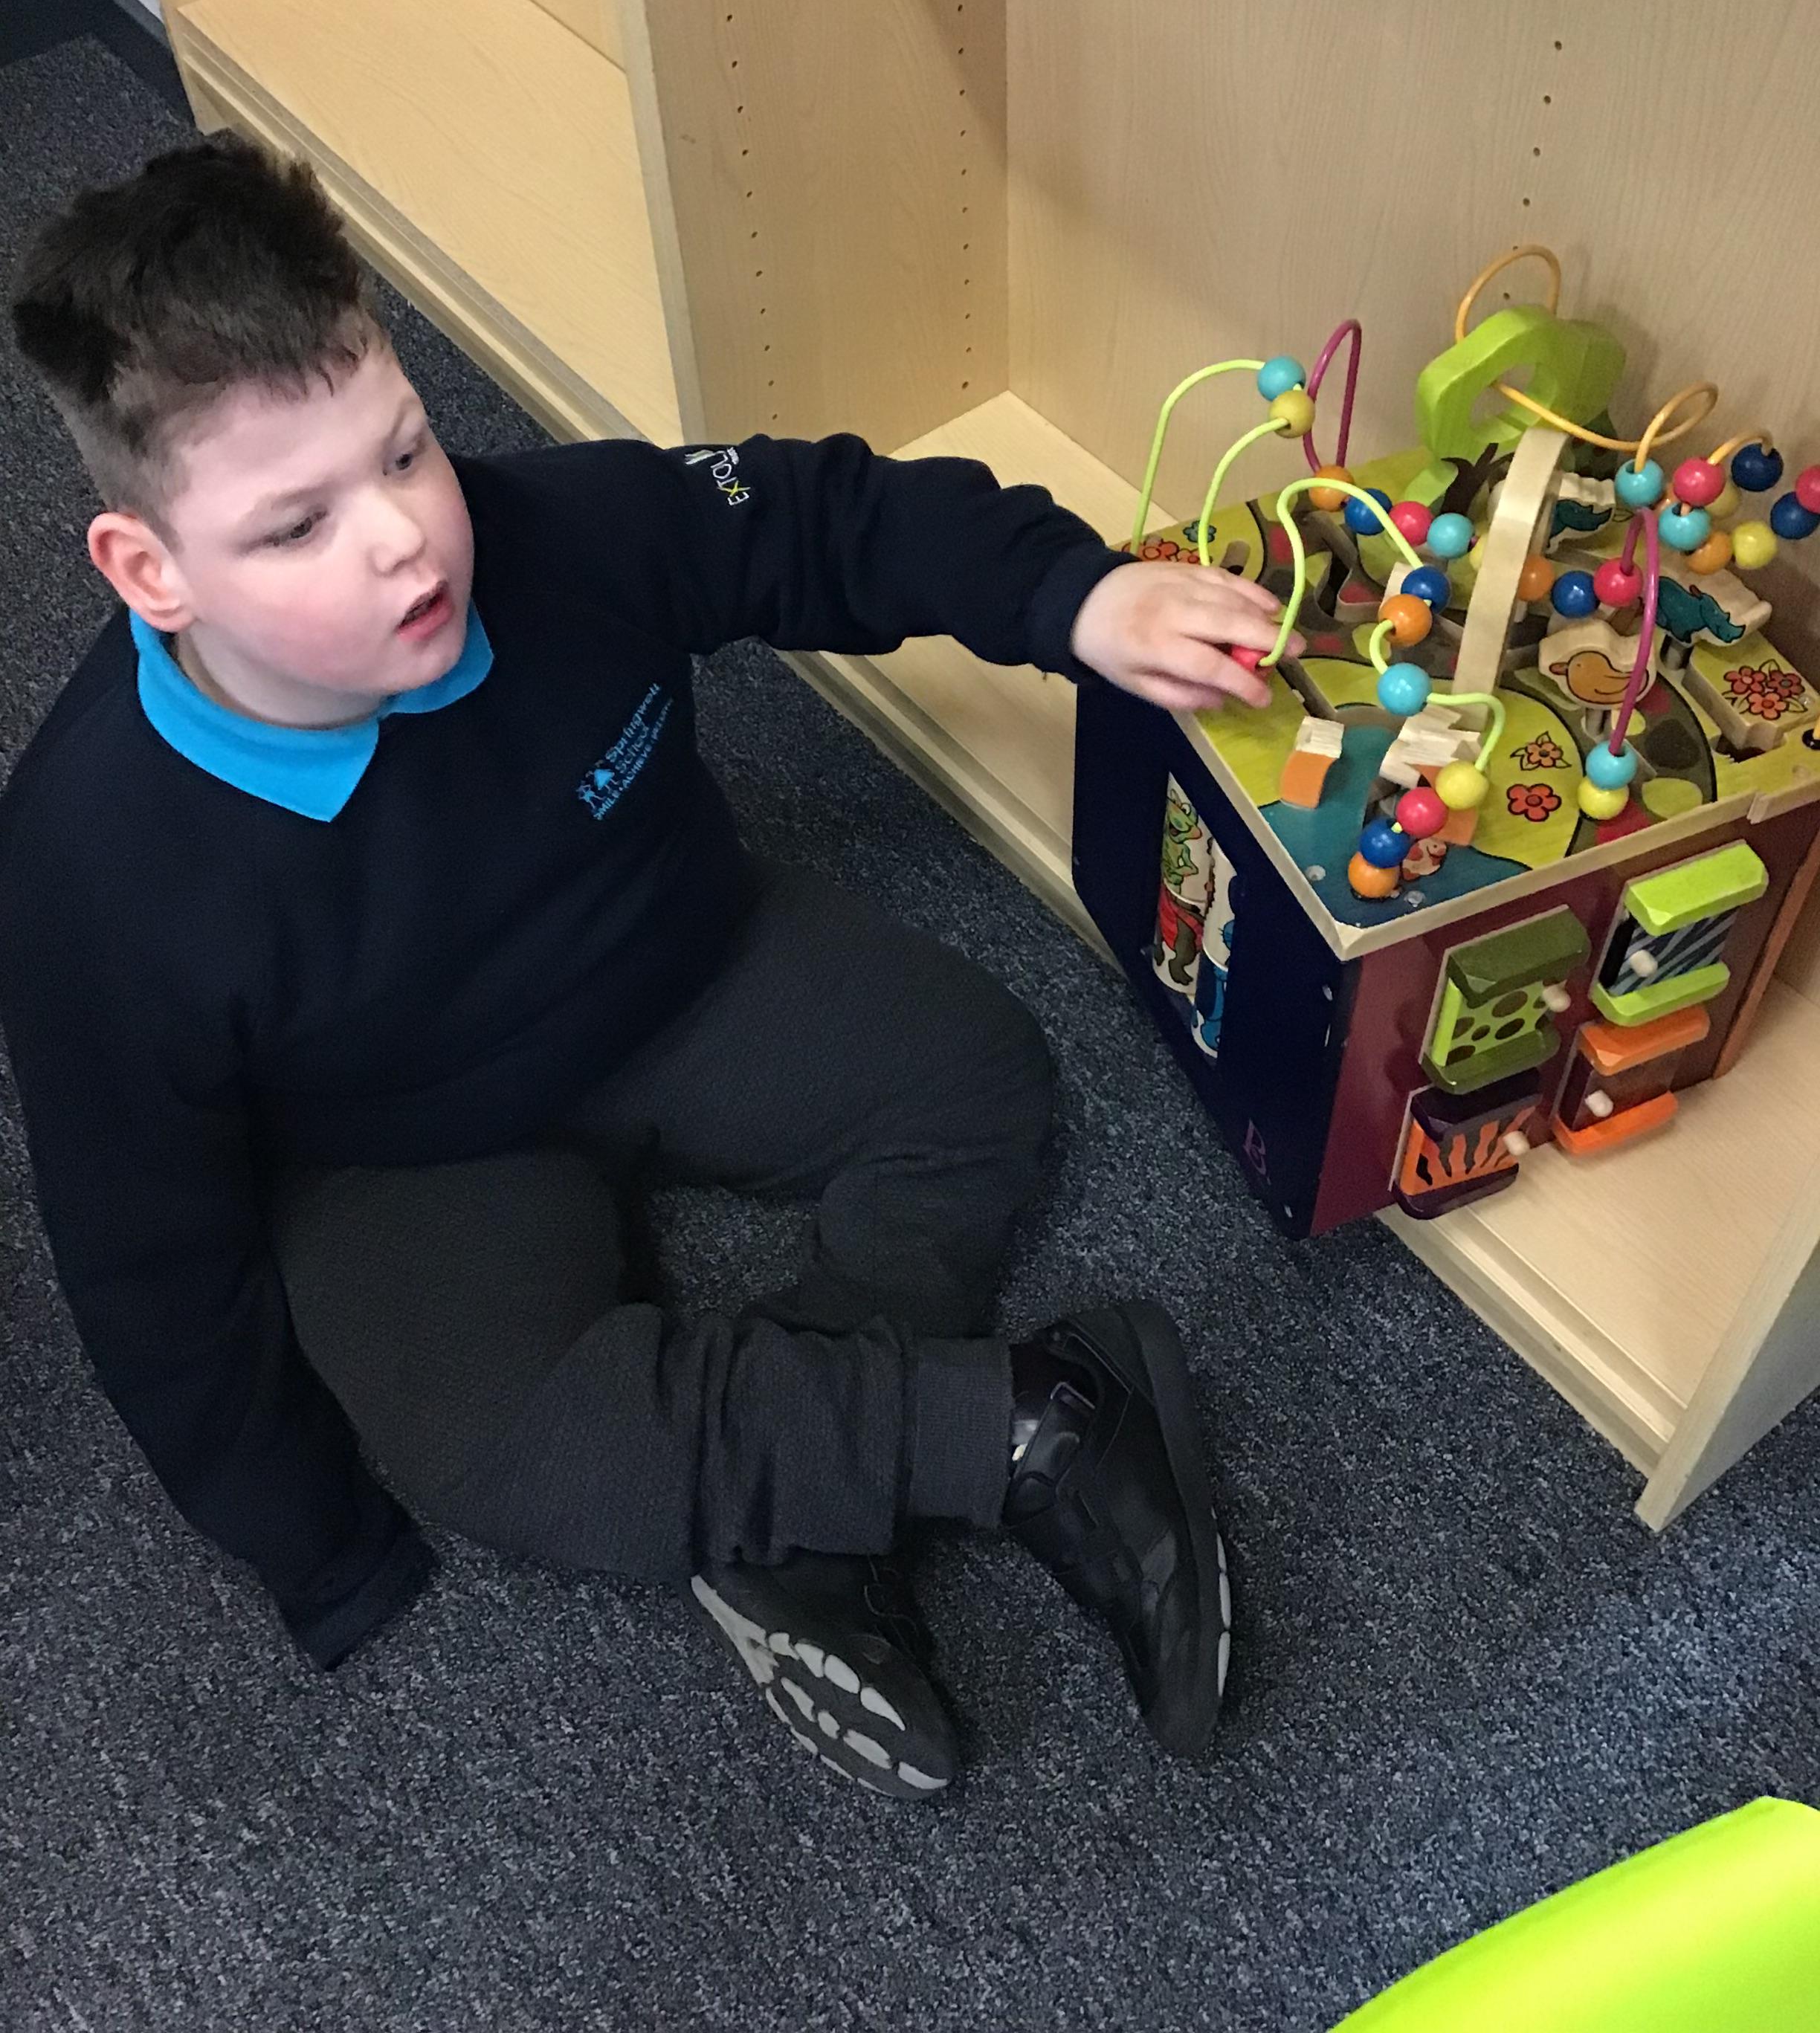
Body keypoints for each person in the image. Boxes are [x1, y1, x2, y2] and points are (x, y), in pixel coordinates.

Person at [1, 136, 1293, 1803]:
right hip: (411, 1149)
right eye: (297, 524)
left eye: (404, 449)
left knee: (977, 1077)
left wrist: (1074, 596)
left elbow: (817, 518)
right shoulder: (92, 868)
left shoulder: (559, 532)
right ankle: (1040, 1422)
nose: (404, 541)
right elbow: (142, 1250)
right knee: (506, 1452)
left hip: (681, 970)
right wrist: (318, 1551)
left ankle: (795, 1520)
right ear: (149, 569)